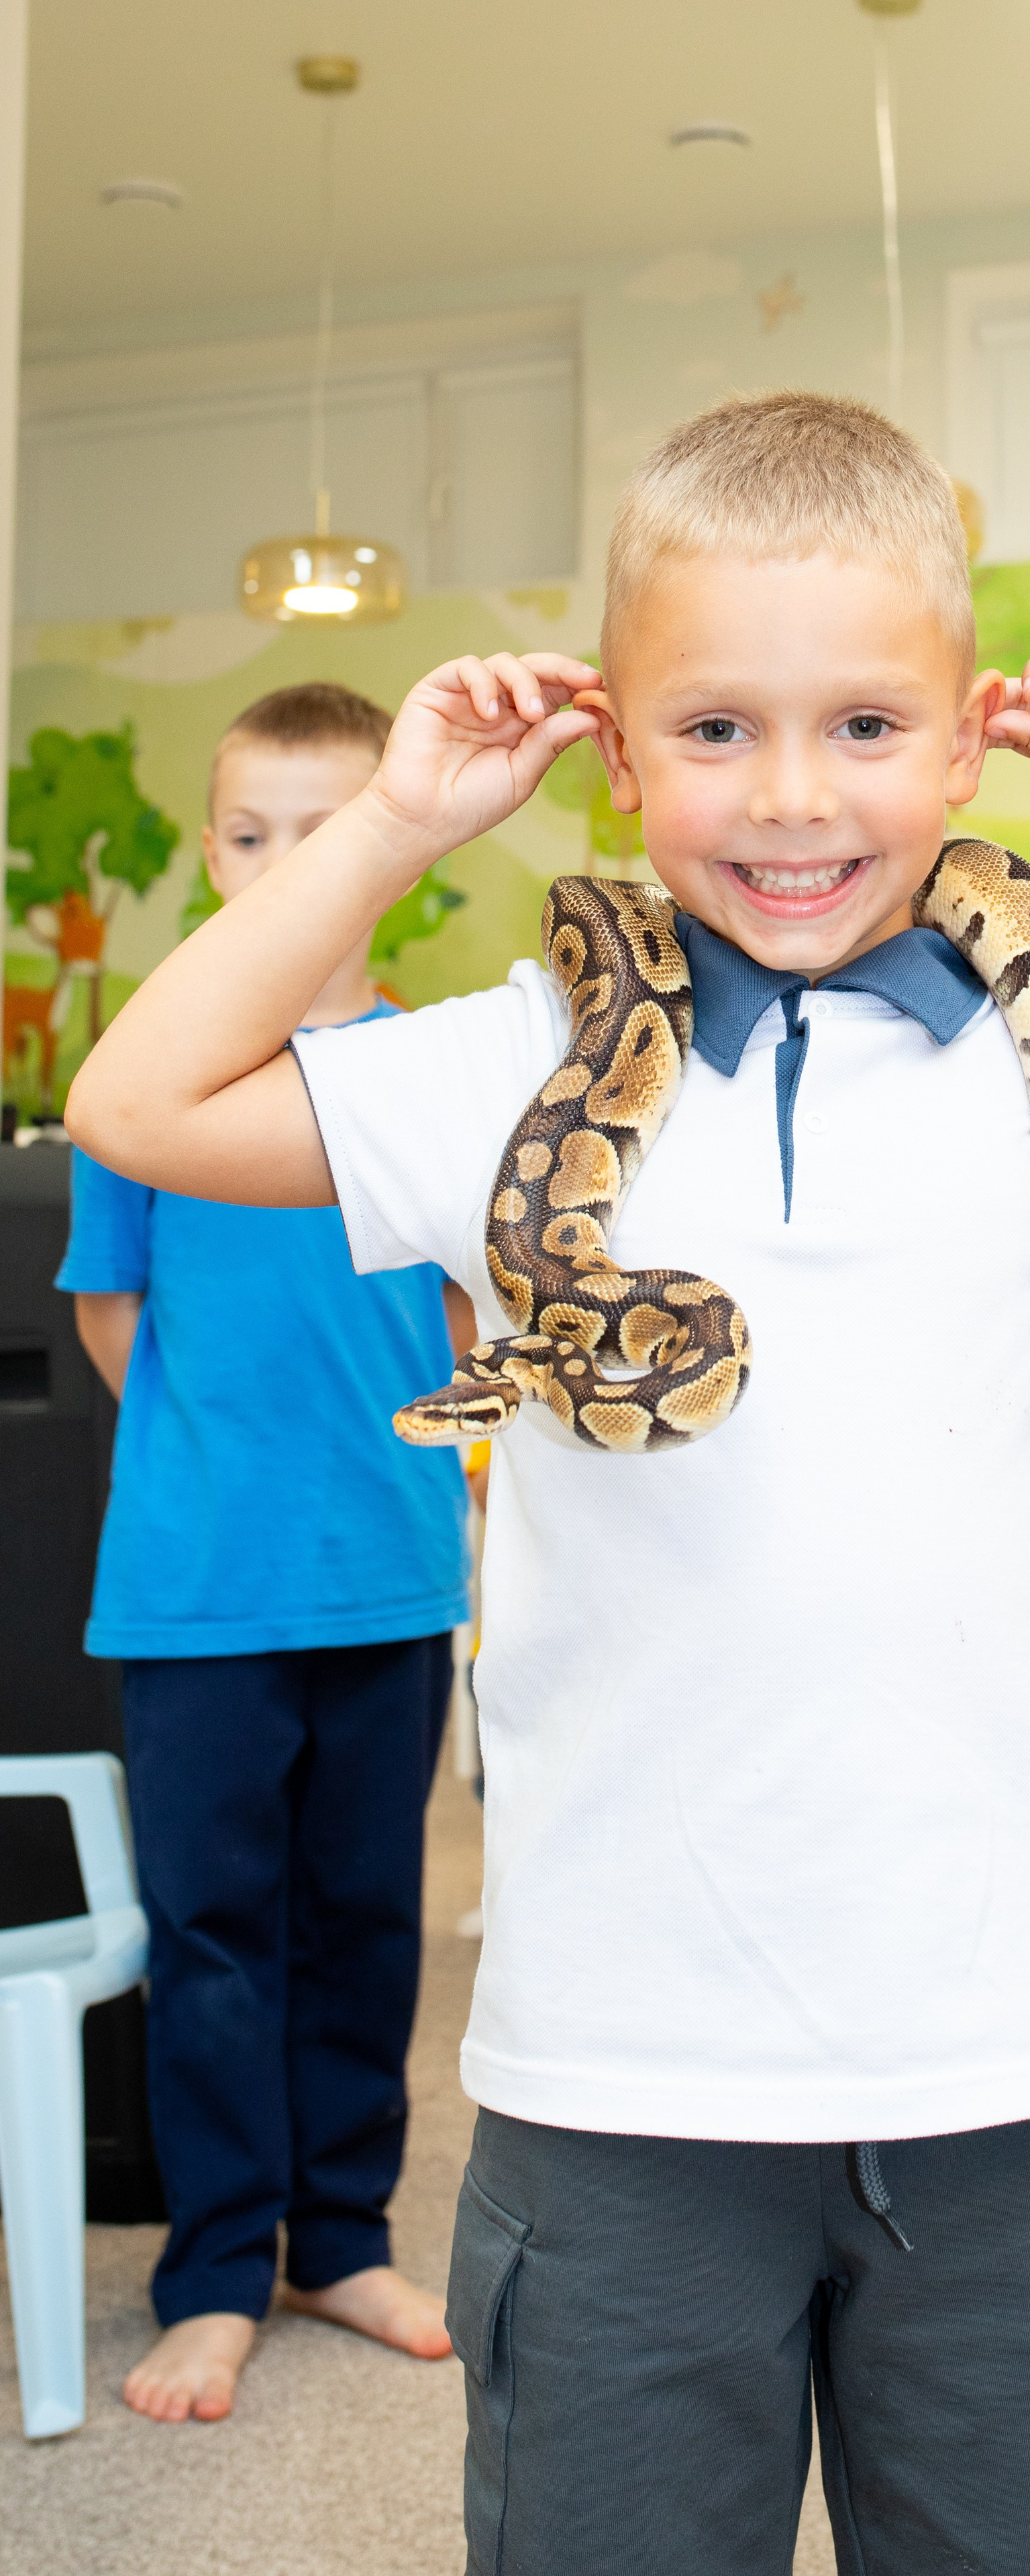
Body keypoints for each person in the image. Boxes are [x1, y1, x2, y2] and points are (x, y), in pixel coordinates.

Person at [66, 395, 1030, 2573]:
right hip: (616, 2080)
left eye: (866, 725)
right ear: (613, 755)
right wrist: (388, 824)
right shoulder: (509, 1063)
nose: (789, 795)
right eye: (714, 730)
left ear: (968, 745)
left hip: (1023, 2056)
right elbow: (139, 1105)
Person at [58, 682, 472, 2424]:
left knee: (369, 1919)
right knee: (216, 1934)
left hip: (393, 1571)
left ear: (396, 849)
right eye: (251, 835)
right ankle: (220, 2268)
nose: (286, 866)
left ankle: (341, 2237)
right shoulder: (154, 1067)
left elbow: (472, 1308)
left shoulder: (448, 1070)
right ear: (214, 855)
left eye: (327, 831)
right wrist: (226, 1457)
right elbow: (113, 1314)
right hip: (199, 1587)